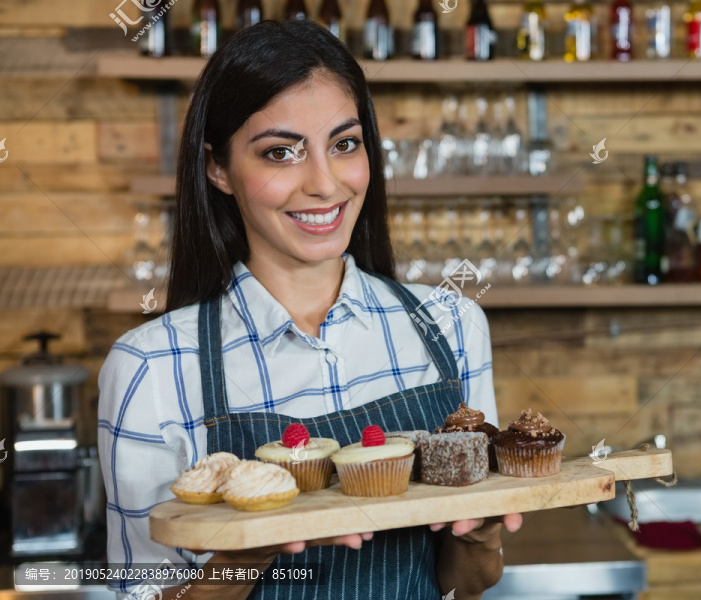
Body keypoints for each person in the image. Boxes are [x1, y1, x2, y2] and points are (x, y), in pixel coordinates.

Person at [98, 18, 521, 600]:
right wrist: (241, 555)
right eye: (280, 153)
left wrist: (482, 535)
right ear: (217, 168)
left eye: (344, 145)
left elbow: (466, 585)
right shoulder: (153, 368)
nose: (325, 184)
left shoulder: (451, 326)